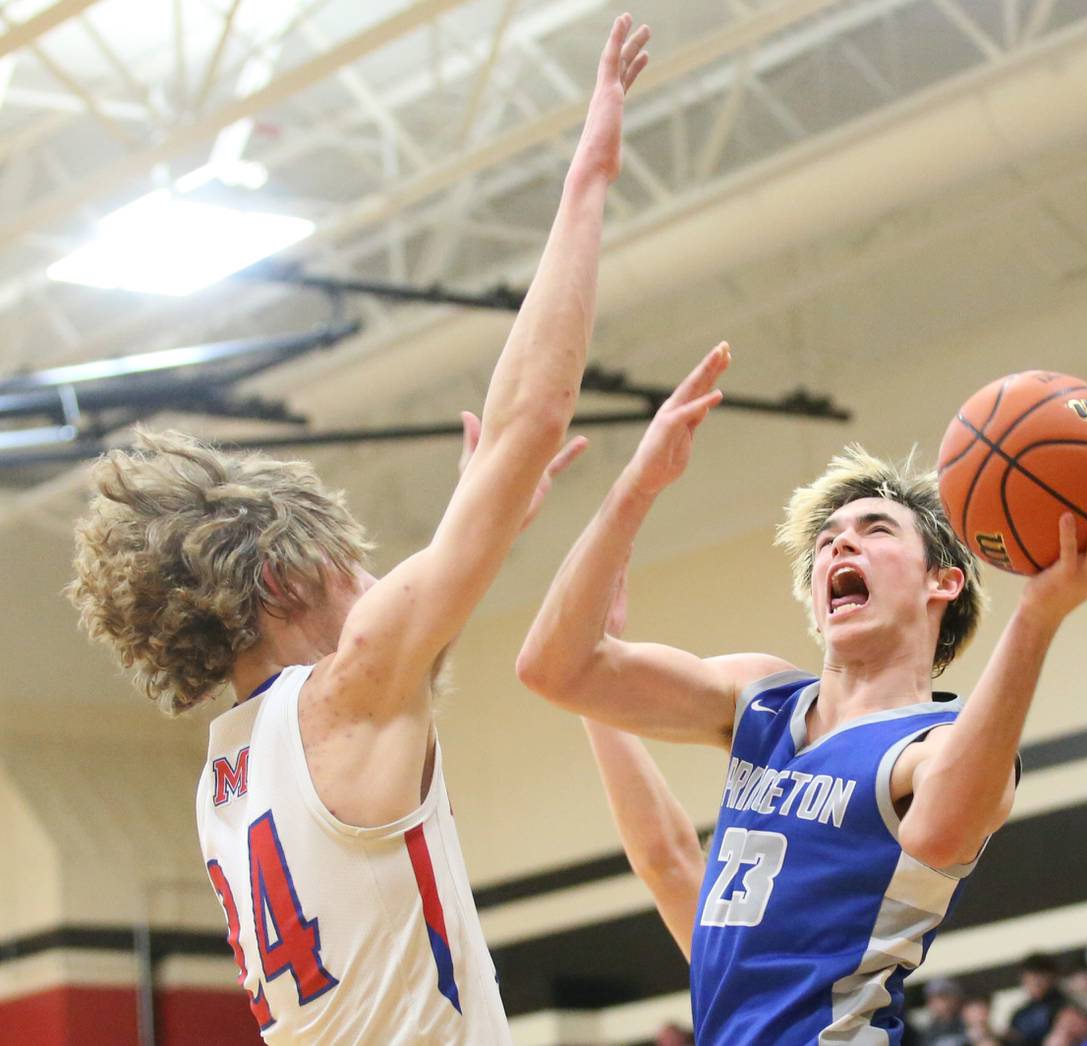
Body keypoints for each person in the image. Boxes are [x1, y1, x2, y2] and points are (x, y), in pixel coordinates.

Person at [64, 16, 652, 1043]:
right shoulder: (343, 700)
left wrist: (484, 523)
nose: (380, 580)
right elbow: (532, 417)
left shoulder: (226, 781)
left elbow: (400, 680)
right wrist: (589, 180)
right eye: (357, 565)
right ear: (288, 581)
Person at [516, 343, 1087, 1044]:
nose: (838, 547)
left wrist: (1038, 615)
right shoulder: (759, 699)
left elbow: (947, 823)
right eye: (826, 541)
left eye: (874, 529)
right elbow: (558, 671)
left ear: (942, 581)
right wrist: (637, 486)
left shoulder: (931, 749)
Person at [1011, 954, 1070, 1046]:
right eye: (1029, 980)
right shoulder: (1019, 1015)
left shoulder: (1065, 1003)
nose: (1034, 984)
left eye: (1038, 979)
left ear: (1051, 977)